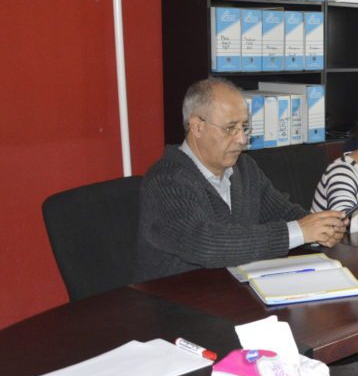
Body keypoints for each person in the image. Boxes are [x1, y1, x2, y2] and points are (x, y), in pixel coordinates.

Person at [135, 78, 345, 281]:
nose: (242, 139)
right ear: (197, 127)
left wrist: (321, 228)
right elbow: (207, 245)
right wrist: (300, 231)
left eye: (244, 127)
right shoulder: (166, 180)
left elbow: (284, 214)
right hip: (176, 297)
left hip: (234, 288)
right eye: (230, 128)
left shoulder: (244, 168)